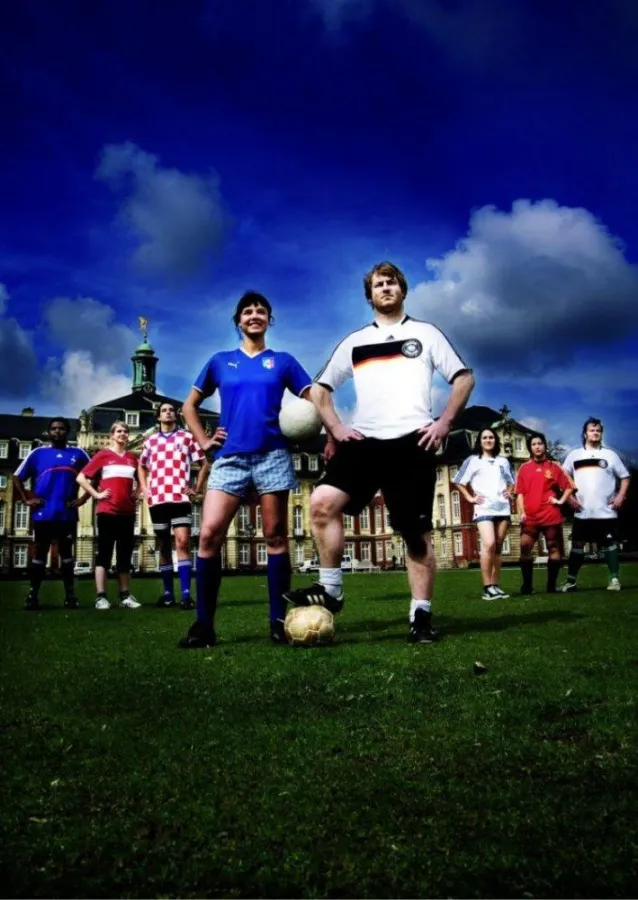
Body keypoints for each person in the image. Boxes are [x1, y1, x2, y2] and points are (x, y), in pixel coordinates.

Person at [284, 261, 475, 643]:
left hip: (413, 441)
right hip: (365, 442)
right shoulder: (354, 342)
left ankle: (420, 618)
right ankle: (332, 588)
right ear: (369, 295)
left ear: (402, 290)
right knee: (321, 501)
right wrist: (336, 428)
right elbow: (320, 389)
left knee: (414, 534)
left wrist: (444, 423)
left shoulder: (426, 334)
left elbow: (464, 378)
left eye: (391, 283)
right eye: (377, 285)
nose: (385, 288)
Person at [178, 290, 313, 649]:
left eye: (261, 311)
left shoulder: (282, 361)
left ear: (270, 319)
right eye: (248, 311)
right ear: (238, 321)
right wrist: (204, 441)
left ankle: (278, 622)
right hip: (229, 458)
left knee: (275, 537)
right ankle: (204, 625)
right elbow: (188, 406)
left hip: (272, 455)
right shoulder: (221, 361)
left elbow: (313, 398)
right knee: (208, 536)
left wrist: (328, 427)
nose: (255, 315)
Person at [138, 402, 210, 609]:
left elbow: (204, 463)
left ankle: (186, 594)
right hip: (158, 499)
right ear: (158, 417)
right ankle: (168, 594)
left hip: (179, 498)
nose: (168, 412)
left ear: (176, 416)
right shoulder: (150, 441)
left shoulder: (187, 438)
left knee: (182, 542)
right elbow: (141, 466)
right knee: (163, 546)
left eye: (171, 410)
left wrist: (196, 487)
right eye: (164, 410)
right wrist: (144, 488)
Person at [13, 417, 90, 610]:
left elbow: (95, 475)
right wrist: (26, 499)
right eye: (54, 429)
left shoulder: (78, 453)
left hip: (66, 513)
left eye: (61, 429)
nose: (57, 431)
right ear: (49, 432)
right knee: (39, 555)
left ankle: (70, 597)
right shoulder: (38, 453)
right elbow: (16, 477)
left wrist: (83, 499)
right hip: (43, 514)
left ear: (67, 432)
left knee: (67, 556)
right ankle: (32, 596)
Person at [76, 421, 141, 610]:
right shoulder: (103, 455)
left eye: (125, 431)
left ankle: (125, 596)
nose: (122, 434)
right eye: (119, 431)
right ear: (112, 435)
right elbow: (81, 477)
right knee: (104, 554)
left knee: (124, 556)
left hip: (127, 513)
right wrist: (96, 495)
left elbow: (143, 480)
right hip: (107, 511)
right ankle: (101, 597)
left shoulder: (132, 458)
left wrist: (136, 495)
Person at [560, 417, 630, 592]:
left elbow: (625, 477)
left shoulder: (610, 455)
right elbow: (561, 478)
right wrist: (569, 499)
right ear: (585, 433)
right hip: (583, 511)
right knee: (577, 544)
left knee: (610, 543)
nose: (595, 433)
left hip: (606, 511)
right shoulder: (574, 455)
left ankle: (614, 580)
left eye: (598, 430)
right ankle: (571, 582)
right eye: (592, 430)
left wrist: (621, 495)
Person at [454, 428, 515, 599]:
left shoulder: (503, 461)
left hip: (502, 507)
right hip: (484, 508)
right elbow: (459, 481)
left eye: (491, 437)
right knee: (488, 544)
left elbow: (512, 481)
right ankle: (487, 587)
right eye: (484, 437)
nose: (488, 440)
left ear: (495, 440)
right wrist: (470, 497)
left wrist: (509, 492)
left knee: (497, 546)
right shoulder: (473, 460)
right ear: (479, 441)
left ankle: (496, 585)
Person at [514, 432, 574, 595]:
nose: (537, 446)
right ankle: (527, 586)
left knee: (553, 547)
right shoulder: (524, 468)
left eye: (540, 443)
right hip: (531, 516)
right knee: (525, 546)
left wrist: (560, 501)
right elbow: (519, 493)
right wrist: (521, 512)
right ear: (530, 448)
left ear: (545, 446)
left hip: (550, 514)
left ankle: (551, 586)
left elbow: (569, 486)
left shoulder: (554, 467)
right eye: (533, 444)